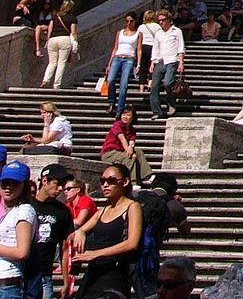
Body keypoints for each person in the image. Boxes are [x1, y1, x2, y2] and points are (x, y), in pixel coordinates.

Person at [70, 163, 142, 299]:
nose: (105, 185)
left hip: (115, 275)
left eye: (111, 181)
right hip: (93, 275)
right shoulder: (103, 210)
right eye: (102, 181)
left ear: (125, 182)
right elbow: (79, 230)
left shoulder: (132, 207)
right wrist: (80, 233)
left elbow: (132, 243)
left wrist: (95, 254)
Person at [31, 163, 74, 299]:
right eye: (57, 183)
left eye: (63, 184)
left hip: (44, 274)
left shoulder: (63, 212)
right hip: (21, 271)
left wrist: (66, 282)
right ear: (45, 181)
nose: (60, 188)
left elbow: (65, 248)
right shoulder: (26, 205)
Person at [0, 161, 35, 299]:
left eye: (15, 182)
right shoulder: (8, 212)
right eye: (5, 182)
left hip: (8, 286)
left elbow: (22, 252)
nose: (8, 187)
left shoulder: (24, 211)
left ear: (24, 185)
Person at [149, 11, 185, 120]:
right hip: (160, 60)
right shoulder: (158, 33)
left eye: (163, 20)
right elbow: (155, 48)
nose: (161, 22)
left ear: (169, 20)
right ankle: (157, 111)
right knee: (154, 87)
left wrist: (181, 62)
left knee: (167, 83)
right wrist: (152, 62)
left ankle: (171, 103)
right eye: (159, 20)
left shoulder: (176, 31)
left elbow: (181, 47)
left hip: (172, 60)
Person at [105, 13, 142, 117]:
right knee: (111, 79)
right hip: (118, 57)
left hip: (129, 58)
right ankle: (111, 102)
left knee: (124, 84)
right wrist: (109, 64)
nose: (129, 23)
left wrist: (138, 64)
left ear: (135, 21)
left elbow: (139, 49)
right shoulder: (120, 32)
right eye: (127, 21)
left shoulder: (138, 33)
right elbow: (115, 48)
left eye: (131, 21)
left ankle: (119, 109)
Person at [100, 108, 152, 182]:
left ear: (132, 117)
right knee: (129, 157)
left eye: (128, 115)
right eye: (123, 114)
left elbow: (131, 142)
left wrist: (131, 148)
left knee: (138, 151)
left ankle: (147, 175)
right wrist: (129, 152)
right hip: (110, 153)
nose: (125, 117)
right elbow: (122, 139)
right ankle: (133, 182)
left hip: (120, 152)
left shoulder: (132, 130)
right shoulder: (117, 125)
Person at [41, 0, 78, 90]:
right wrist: (76, 41)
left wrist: (48, 39)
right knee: (61, 63)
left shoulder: (55, 16)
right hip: (64, 39)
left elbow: (50, 29)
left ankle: (45, 80)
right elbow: (73, 32)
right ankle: (56, 84)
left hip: (53, 39)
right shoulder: (72, 18)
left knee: (52, 62)